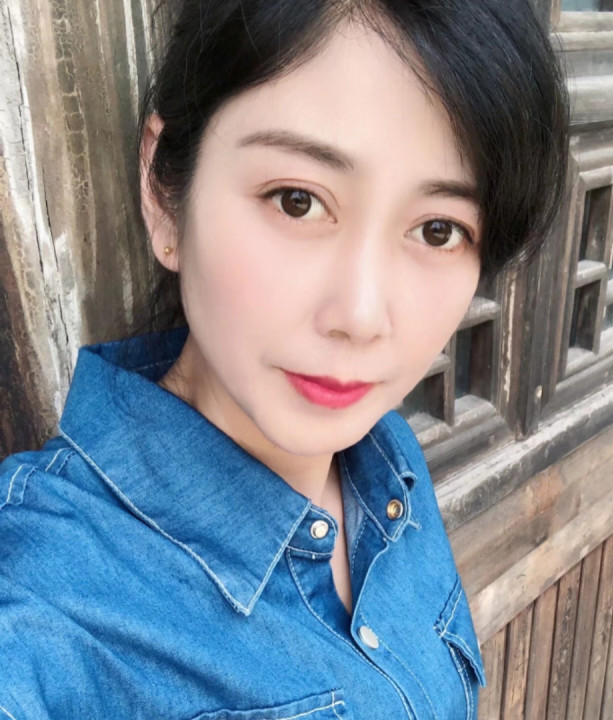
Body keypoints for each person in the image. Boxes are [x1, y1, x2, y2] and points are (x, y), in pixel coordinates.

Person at [0, 1, 568, 718]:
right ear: (164, 193)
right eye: (297, 201)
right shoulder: (45, 604)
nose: (361, 317)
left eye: (437, 229)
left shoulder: (384, 459)